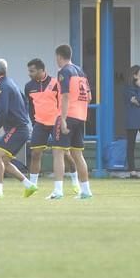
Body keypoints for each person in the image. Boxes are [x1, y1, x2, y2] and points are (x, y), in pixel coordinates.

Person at [0, 58, 37, 198]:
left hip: (17, 128)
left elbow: (3, 112)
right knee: (4, 162)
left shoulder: (2, 87)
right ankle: (29, 185)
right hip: (20, 128)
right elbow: (24, 101)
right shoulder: (10, 82)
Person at [24, 58, 80, 193]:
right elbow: (30, 107)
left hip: (56, 123)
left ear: (42, 70)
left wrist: (62, 120)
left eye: (32, 71)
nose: (29, 74)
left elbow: (63, 102)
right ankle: (33, 185)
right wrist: (34, 122)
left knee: (65, 154)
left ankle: (75, 181)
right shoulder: (29, 86)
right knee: (35, 153)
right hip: (40, 124)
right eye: (29, 71)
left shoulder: (56, 83)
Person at [47, 44, 92, 200]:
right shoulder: (81, 72)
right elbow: (89, 97)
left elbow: (65, 95)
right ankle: (86, 191)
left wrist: (64, 119)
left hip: (67, 115)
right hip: (81, 116)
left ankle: (58, 191)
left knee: (58, 152)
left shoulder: (64, 72)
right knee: (78, 154)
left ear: (59, 56)